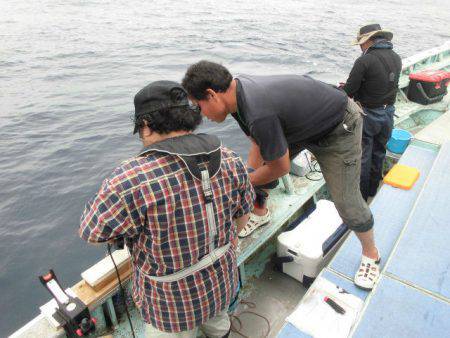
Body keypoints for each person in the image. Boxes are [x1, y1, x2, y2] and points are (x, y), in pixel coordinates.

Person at [182, 62, 381, 290]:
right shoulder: (236, 95)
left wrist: (242, 182)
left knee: (346, 201)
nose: (202, 115)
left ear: (211, 95)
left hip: (338, 127)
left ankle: (370, 254)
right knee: (261, 167)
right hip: (303, 125)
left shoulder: (258, 111)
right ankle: (260, 212)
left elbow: (281, 168)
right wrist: (248, 179)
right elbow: (258, 142)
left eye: (199, 107)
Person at [79, 80, 254, 337]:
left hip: (171, 307)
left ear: (146, 126)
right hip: (221, 282)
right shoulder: (228, 157)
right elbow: (243, 214)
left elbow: (92, 232)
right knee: (219, 325)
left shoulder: (128, 179)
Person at [343, 24, 402, 201]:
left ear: (369, 40)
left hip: (368, 115)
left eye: (361, 43)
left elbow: (349, 91)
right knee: (379, 152)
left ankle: (361, 196)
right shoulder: (396, 57)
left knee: (364, 156)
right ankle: (372, 191)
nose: (360, 47)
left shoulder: (364, 60)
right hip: (388, 113)